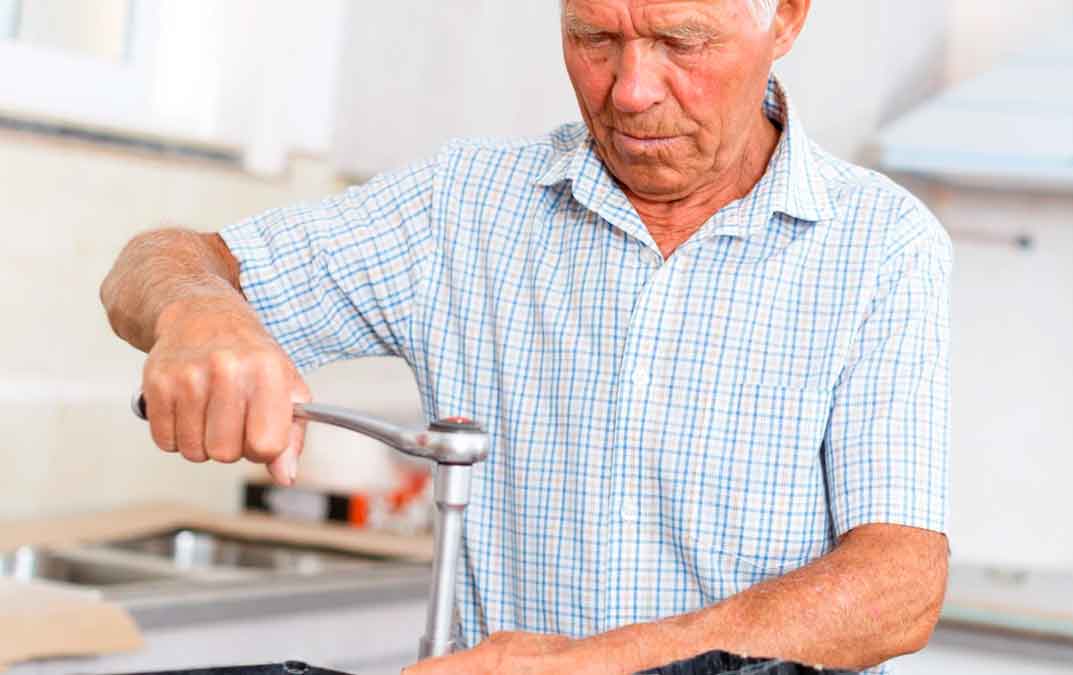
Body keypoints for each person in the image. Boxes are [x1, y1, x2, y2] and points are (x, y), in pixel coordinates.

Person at [100, 1, 951, 672]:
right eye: (592, 36)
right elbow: (161, 261)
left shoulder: (880, 246)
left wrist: (591, 667)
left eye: (680, 43)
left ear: (787, 17)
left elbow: (899, 582)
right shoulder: (462, 207)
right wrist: (197, 309)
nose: (629, 89)